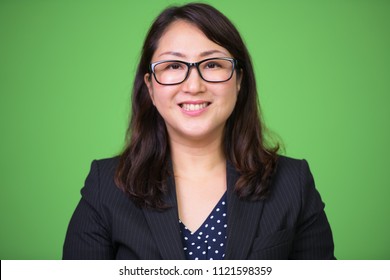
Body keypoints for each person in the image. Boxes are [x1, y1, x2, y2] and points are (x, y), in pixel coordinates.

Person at [63, 3, 335, 260]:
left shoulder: (293, 183)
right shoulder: (106, 187)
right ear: (150, 87)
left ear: (239, 80)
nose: (193, 85)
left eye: (212, 64)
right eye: (173, 66)